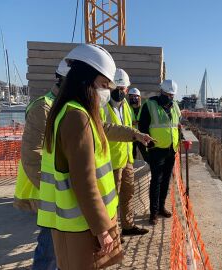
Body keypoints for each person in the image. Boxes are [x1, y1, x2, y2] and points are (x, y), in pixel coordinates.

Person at [37, 44, 153, 269]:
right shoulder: (76, 117)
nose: (106, 92)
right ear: (85, 81)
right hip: (82, 224)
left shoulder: (72, 111)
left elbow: (108, 129)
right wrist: (101, 229)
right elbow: (84, 181)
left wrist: (135, 135)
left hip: (82, 220)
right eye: (103, 85)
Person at [13, 59, 69, 270]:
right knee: (49, 245)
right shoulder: (43, 107)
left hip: (57, 186)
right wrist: (52, 190)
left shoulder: (63, 105)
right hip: (46, 188)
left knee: (57, 242)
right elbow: (31, 156)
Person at [102, 69, 149, 236]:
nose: (119, 91)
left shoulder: (126, 108)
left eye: (123, 88)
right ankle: (112, 233)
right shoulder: (103, 107)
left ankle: (127, 226)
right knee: (110, 200)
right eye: (117, 87)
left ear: (127, 90)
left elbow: (129, 129)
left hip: (127, 159)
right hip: (110, 162)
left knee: (128, 194)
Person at [139, 79, 183, 225]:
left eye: (172, 95)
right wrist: (148, 146)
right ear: (161, 92)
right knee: (156, 181)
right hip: (157, 150)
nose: (169, 97)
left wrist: (180, 138)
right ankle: (153, 212)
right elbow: (142, 127)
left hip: (171, 149)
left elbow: (177, 125)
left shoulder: (175, 106)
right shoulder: (150, 105)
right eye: (167, 94)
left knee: (165, 180)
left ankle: (161, 207)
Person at [127, 87, 144, 159]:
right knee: (132, 154)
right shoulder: (126, 107)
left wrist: (140, 122)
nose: (134, 98)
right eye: (132, 96)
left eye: (136, 96)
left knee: (145, 153)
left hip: (141, 134)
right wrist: (131, 123)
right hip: (131, 134)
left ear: (139, 97)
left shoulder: (143, 108)